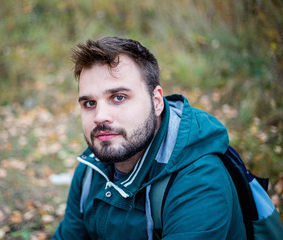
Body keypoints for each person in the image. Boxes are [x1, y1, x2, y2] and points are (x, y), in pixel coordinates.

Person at [53, 37, 246, 239]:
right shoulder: (91, 169)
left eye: (118, 97)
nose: (100, 116)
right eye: (89, 103)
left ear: (156, 102)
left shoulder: (199, 181)